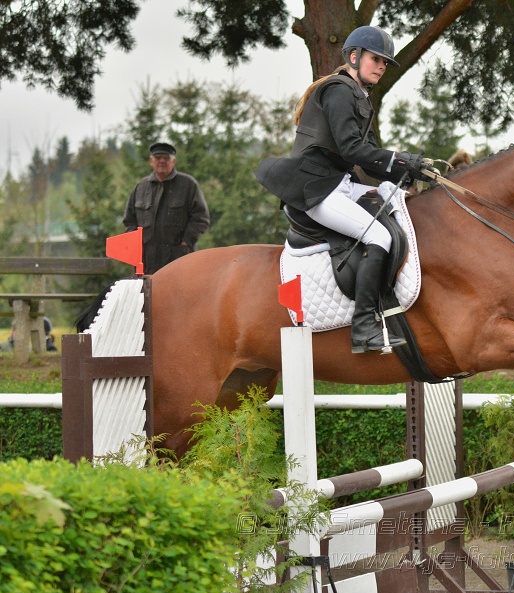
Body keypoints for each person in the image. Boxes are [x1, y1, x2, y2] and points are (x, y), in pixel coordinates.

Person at [254, 25, 435, 354]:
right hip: (316, 190)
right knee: (378, 236)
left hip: (339, 183)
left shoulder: (361, 97)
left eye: (385, 62)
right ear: (354, 56)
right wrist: (399, 159)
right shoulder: (339, 90)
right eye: (376, 59)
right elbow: (353, 150)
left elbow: (370, 163)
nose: (381, 66)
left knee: (398, 203)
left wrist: (408, 171)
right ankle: (364, 327)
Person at [123, 142, 210, 275]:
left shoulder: (188, 185)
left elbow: (201, 218)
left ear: (173, 161)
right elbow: (129, 221)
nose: (162, 161)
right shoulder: (140, 188)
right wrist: (136, 246)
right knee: (147, 295)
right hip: (146, 262)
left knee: (179, 295)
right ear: (151, 161)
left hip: (179, 260)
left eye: (166, 158)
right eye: (158, 158)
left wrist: (186, 242)